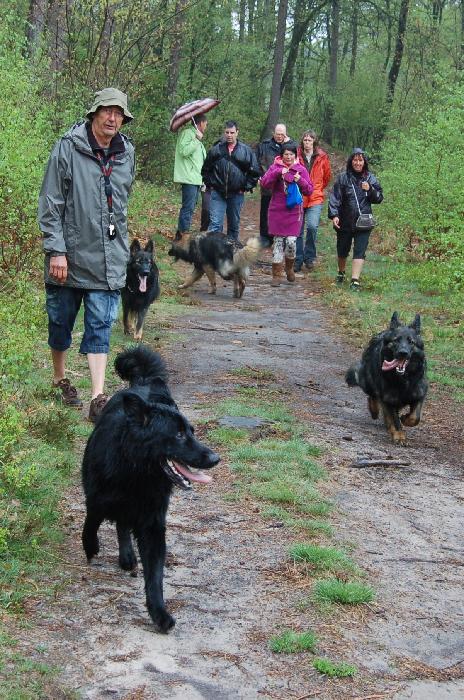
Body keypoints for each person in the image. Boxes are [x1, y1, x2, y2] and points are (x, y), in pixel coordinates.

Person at [38, 87, 136, 422]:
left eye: (119, 113)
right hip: (69, 256)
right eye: (107, 111)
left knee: (101, 324)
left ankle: (97, 397)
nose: (112, 118)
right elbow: (51, 203)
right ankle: (60, 379)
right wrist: (56, 250)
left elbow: (121, 203)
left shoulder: (127, 153)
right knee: (60, 323)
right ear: (94, 113)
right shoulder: (68, 147)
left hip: (109, 257)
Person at [328, 148, 383, 291]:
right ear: (351, 161)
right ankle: (341, 273)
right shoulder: (342, 178)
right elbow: (335, 198)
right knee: (342, 249)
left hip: (364, 220)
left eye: (360, 160)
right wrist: (334, 215)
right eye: (355, 160)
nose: (358, 163)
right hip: (345, 219)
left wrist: (370, 189)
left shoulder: (370, 178)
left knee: (360, 250)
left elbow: (379, 198)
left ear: (364, 162)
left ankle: (355, 280)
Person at [260, 143, 313, 286]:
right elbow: (264, 183)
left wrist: (299, 180)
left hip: (294, 212)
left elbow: (309, 190)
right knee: (278, 242)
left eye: (291, 154)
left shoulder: (301, 169)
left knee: (291, 242)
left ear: (295, 155)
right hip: (277, 210)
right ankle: (276, 275)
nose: (288, 157)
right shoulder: (275, 167)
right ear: (281, 155)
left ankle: (289, 267)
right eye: (286, 154)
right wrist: (278, 173)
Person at [201, 120, 260, 241]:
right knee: (215, 224)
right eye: (227, 132)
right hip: (218, 193)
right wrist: (211, 184)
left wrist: (245, 187)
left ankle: (231, 249)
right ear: (224, 132)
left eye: (232, 132)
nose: (229, 135)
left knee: (233, 225)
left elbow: (254, 173)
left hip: (236, 194)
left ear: (237, 132)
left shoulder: (246, 151)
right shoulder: (216, 150)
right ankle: (214, 250)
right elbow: (205, 170)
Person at [295, 130, 331, 272]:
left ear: (314, 141)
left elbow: (327, 176)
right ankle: (297, 259)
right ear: (302, 141)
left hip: (315, 196)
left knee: (312, 226)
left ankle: (309, 256)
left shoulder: (322, 157)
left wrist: (318, 188)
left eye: (310, 140)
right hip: (299, 196)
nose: (307, 143)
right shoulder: (296, 155)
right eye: (305, 140)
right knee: (297, 230)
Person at [255, 124, 292, 248]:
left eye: (282, 134)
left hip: (284, 187)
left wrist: (288, 142)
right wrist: (259, 176)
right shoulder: (264, 145)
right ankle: (265, 237)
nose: (279, 136)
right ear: (273, 133)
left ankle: (280, 237)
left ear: (285, 134)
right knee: (265, 211)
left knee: (282, 213)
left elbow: (297, 158)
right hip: (268, 184)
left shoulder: (290, 146)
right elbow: (256, 162)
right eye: (277, 134)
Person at [173, 114, 207, 237]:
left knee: (191, 207)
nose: (206, 126)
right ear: (201, 123)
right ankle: (182, 236)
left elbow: (199, 161)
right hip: (189, 178)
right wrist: (196, 140)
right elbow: (183, 151)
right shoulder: (188, 133)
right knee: (188, 208)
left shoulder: (196, 136)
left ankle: (183, 233)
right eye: (206, 124)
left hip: (196, 179)